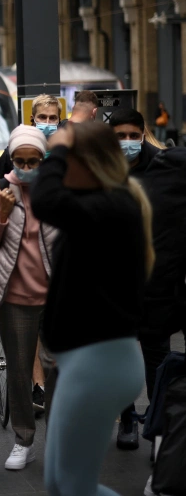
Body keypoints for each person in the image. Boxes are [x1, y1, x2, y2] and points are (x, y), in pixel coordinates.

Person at [31, 122, 154, 496]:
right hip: (85, 361)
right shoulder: (103, 205)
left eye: (70, 162)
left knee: (73, 487)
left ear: (90, 164)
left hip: (100, 363)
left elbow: (45, 200)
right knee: (59, 483)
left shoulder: (114, 205)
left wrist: (59, 149)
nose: (64, 170)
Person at [0, 125, 57, 470]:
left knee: (58, 370)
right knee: (20, 373)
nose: (26, 166)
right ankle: (24, 440)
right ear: (11, 159)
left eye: (33, 160)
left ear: (44, 159)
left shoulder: (57, 189)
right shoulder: (0, 190)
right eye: (20, 160)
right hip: (15, 297)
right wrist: (3, 216)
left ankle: (59, 438)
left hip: (57, 297)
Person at [110, 107, 181, 450]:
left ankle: (157, 422)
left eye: (132, 136)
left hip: (158, 283)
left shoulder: (166, 168)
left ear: (143, 134)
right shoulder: (100, 171)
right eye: (119, 136)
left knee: (158, 359)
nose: (127, 142)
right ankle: (126, 419)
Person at [0, 94, 63, 184]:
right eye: (42, 117)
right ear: (33, 119)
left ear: (59, 120)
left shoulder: (65, 152)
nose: (47, 123)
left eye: (52, 118)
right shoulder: (16, 150)